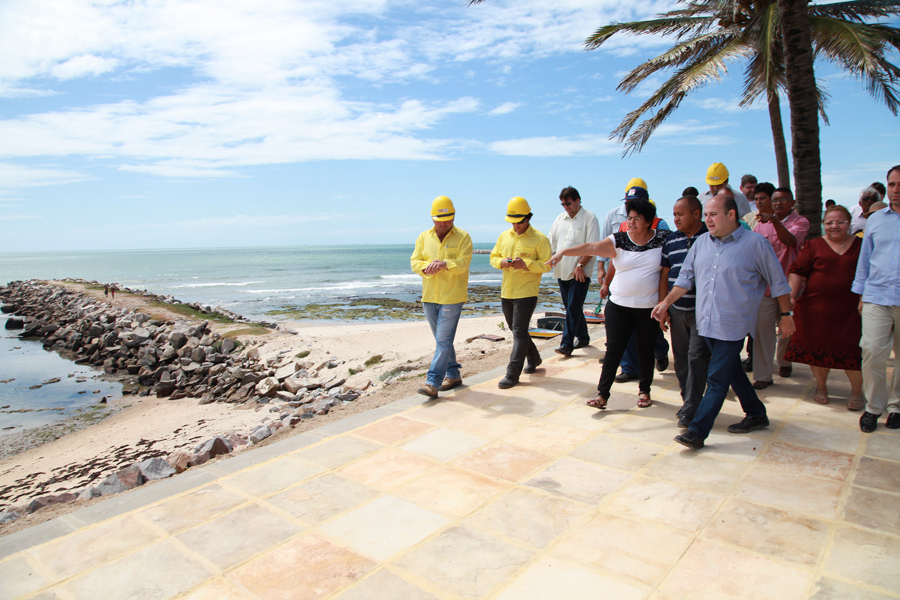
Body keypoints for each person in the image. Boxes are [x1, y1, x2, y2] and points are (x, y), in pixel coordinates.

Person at [652, 191, 794, 449]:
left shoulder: (755, 244)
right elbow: (684, 280)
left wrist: (786, 315)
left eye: (713, 214)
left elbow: (778, 283)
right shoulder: (702, 243)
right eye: (706, 214)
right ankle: (756, 413)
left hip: (732, 326)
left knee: (716, 380)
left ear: (731, 214)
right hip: (705, 323)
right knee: (733, 372)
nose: (708, 219)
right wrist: (665, 303)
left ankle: (697, 431)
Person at [548, 191, 668, 409]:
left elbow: (666, 274)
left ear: (649, 221)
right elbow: (592, 247)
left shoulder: (662, 240)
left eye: (637, 218)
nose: (630, 222)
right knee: (614, 349)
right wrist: (563, 252)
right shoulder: (619, 240)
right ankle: (602, 395)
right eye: (629, 217)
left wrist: (663, 304)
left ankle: (644, 391)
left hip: (647, 307)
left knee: (645, 349)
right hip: (619, 306)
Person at [783, 205, 863, 408]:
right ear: (823, 224)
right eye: (829, 222)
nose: (834, 226)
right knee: (818, 351)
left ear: (849, 224)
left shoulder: (862, 245)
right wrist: (791, 295)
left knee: (854, 352)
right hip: (817, 309)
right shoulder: (814, 245)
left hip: (852, 310)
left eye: (840, 222)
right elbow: (797, 271)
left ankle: (856, 392)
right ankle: (821, 386)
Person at [851, 164, 900, 433]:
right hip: (877, 295)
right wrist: (861, 294)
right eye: (892, 184)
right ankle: (874, 406)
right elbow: (865, 259)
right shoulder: (876, 220)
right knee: (870, 352)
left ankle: (897, 406)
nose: (896, 189)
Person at [410, 196, 473, 398]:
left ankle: (432, 382)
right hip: (429, 297)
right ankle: (453, 374)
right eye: (440, 220)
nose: (444, 223)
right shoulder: (423, 237)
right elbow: (415, 261)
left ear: (454, 217)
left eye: (448, 219)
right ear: (432, 218)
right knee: (442, 341)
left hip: (452, 297)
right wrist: (426, 268)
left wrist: (445, 264)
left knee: (443, 341)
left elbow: (463, 263)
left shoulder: (463, 237)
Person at [657, 196, 710, 428]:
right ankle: (688, 401)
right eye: (674, 214)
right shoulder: (671, 240)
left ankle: (691, 408)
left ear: (697, 214)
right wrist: (664, 306)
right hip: (677, 309)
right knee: (680, 360)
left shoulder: (710, 236)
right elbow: (665, 275)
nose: (676, 219)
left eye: (681, 214)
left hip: (702, 310)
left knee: (697, 357)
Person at [490, 197, 552, 389]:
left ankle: (512, 374)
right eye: (512, 222)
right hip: (507, 291)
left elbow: (548, 265)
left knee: (518, 331)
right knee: (517, 329)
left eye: (519, 222)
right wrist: (502, 262)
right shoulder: (504, 236)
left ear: (528, 218)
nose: (516, 226)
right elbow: (493, 257)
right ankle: (534, 358)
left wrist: (527, 264)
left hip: (527, 292)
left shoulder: (540, 239)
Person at [751, 187, 809, 389]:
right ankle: (763, 374)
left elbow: (790, 241)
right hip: (765, 287)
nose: (778, 203)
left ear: (792, 203)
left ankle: (784, 361)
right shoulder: (760, 226)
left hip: (789, 286)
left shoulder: (800, 222)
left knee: (788, 328)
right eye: (775, 200)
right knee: (762, 330)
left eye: (783, 200)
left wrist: (774, 221)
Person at [548, 186, 600, 356]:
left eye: (568, 203)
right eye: (563, 204)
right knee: (572, 307)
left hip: (580, 272)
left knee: (572, 308)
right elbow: (551, 243)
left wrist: (580, 266)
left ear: (578, 200)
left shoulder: (590, 218)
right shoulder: (559, 219)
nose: (566, 207)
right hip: (562, 271)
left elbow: (592, 247)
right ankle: (583, 337)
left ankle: (566, 344)